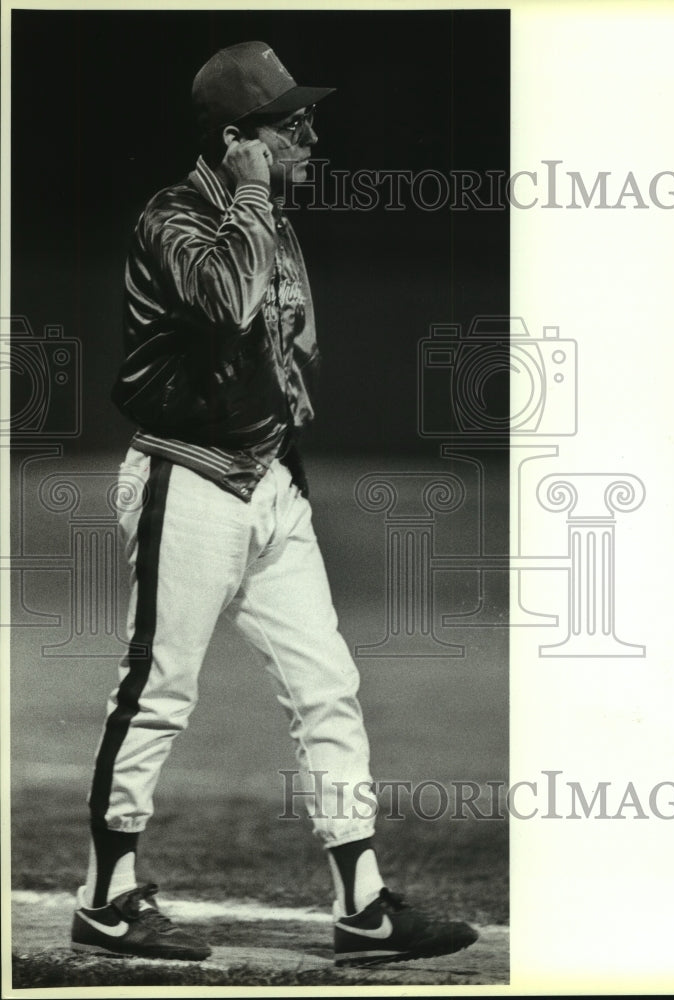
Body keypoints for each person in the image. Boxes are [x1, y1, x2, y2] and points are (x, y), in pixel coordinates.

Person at [69, 40, 478, 966]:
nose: (310, 135)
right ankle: (103, 897)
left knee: (327, 687)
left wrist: (287, 470)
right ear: (235, 140)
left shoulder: (274, 220)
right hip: (187, 472)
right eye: (288, 124)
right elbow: (224, 300)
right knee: (159, 690)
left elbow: (289, 354)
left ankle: (364, 907)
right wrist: (252, 196)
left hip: (266, 483)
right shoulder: (175, 215)